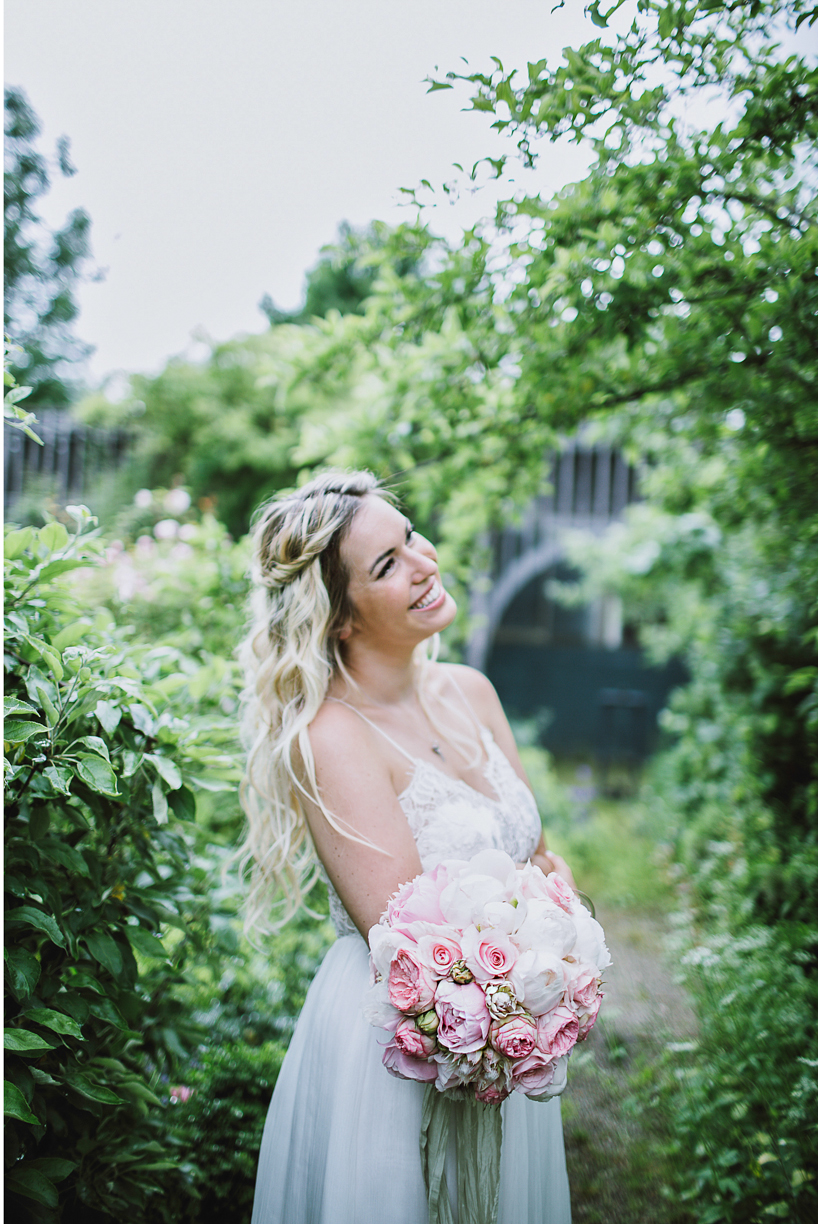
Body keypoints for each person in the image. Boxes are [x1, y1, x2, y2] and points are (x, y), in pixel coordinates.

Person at [238, 471, 574, 1223]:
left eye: (410, 536)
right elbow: (404, 938)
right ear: (340, 617)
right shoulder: (332, 737)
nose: (424, 561)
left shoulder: (472, 690)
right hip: (402, 1046)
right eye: (387, 565)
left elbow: (542, 859)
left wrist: (564, 942)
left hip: (505, 1030)